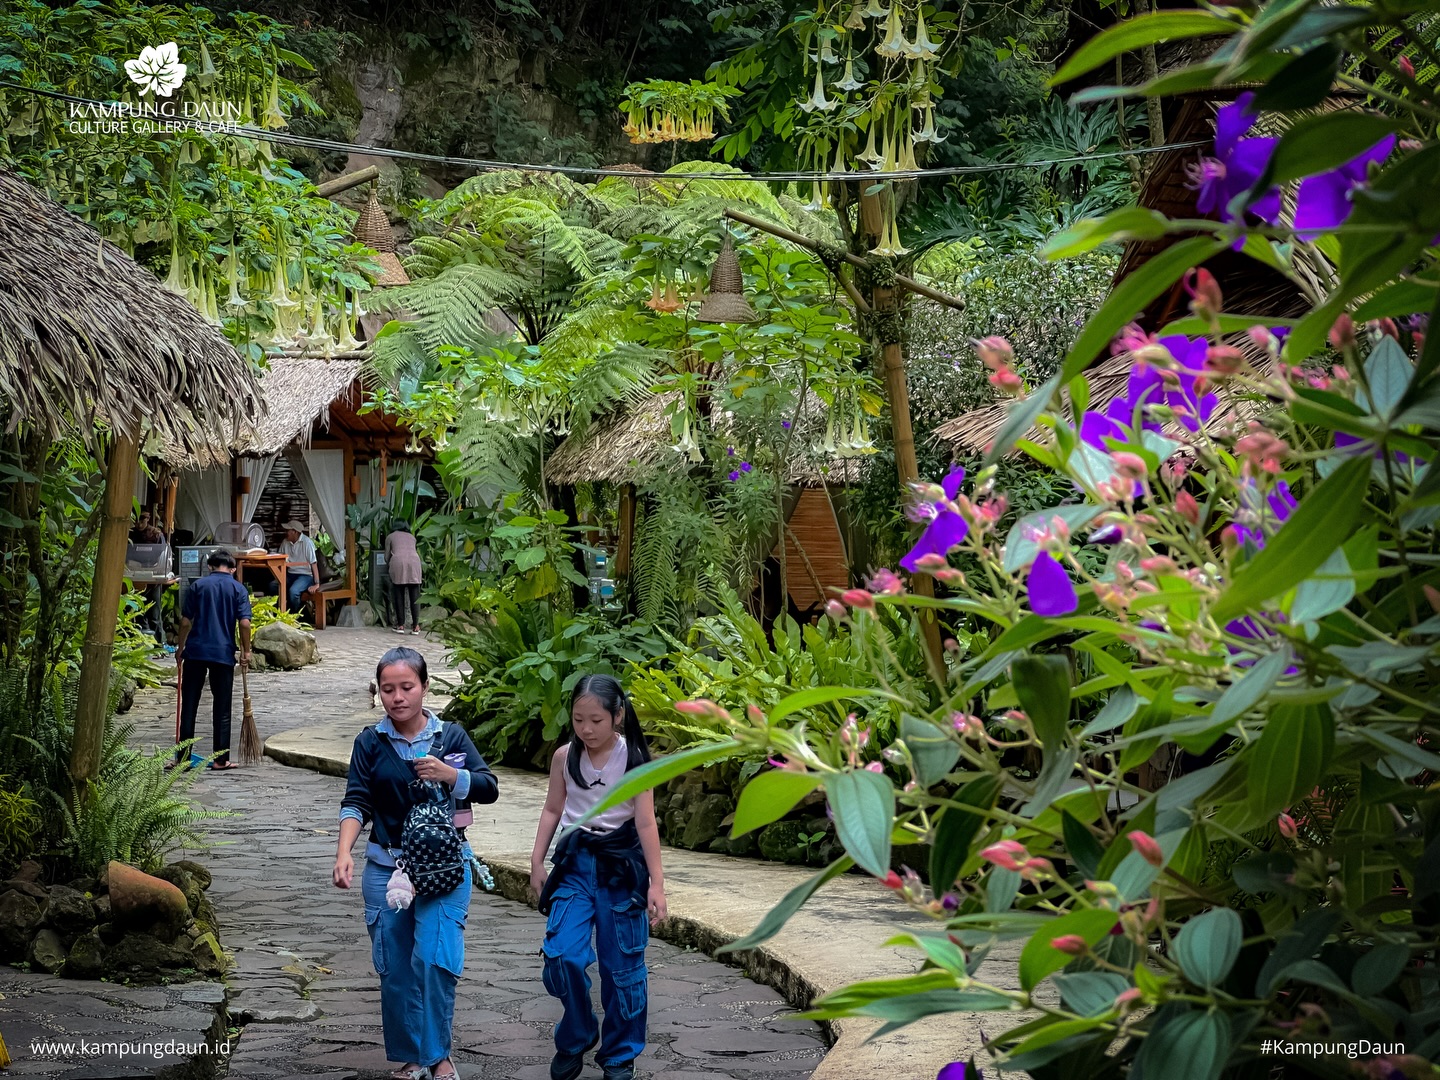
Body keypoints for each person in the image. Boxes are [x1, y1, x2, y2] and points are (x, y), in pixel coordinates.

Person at [333, 647, 498, 1080]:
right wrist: (343, 854)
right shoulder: (370, 743)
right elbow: (356, 802)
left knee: (435, 959)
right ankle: (412, 1058)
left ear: (424, 687)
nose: (398, 697)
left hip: (444, 870)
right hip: (386, 869)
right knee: (398, 969)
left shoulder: (452, 738)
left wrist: (450, 775)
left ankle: (439, 1055)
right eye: (388, 689)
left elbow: (488, 786)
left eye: (407, 687)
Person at [530, 674, 667, 1080]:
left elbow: (645, 824)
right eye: (578, 720)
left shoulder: (636, 761)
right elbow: (553, 810)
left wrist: (656, 883)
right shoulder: (564, 758)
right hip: (575, 864)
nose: (586, 730)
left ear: (618, 716)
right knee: (561, 956)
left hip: (621, 870)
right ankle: (577, 1032)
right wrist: (537, 861)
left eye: (596, 721)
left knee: (622, 970)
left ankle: (620, 1055)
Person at [173, 549, 251, 770]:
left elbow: (186, 621)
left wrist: (180, 648)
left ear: (209, 566)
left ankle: (183, 758)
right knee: (222, 707)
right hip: (223, 654)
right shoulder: (238, 588)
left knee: (189, 705)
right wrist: (247, 651)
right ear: (233, 569)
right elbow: (244, 624)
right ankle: (220, 759)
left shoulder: (198, 586)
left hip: (195, 652)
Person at [129, 512, 169, 650]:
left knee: (154, 612)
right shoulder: (130, 533)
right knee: (136, 611)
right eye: (136, 521)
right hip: (133, 574)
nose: (138, 524)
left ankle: (159, 645)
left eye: (142, 521)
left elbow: (162, 553)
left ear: (147, 520)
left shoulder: (156, 534)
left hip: (153, 575)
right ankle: (138, 645)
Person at [385, 521, 424, 636]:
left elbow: (386, 556)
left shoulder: (390, 537)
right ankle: (416, 626)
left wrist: (389, 563)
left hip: (398, 563)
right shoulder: (412, 537)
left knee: (398, 594)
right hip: (414, 563)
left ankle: (400, 625)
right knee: (415, 596)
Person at [279, 519, 319, 609]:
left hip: (305, 576)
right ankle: (282, 610)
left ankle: (296, 616)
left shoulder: (307, 543)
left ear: (294, 532)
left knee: (293, 591)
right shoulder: (285, 542)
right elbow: (279, 558)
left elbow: (314, 564)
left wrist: (317, 584)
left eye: (288, 530)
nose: (286, 532)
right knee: (273, 586)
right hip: (290, 574)